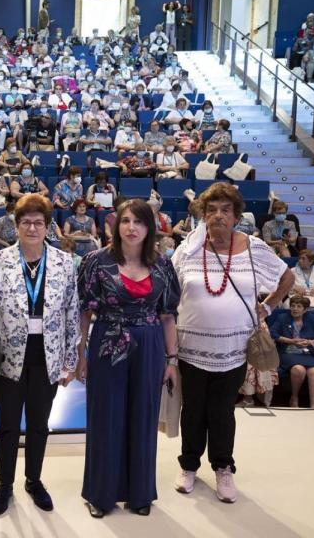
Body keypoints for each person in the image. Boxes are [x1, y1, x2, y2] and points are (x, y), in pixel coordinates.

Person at [170, 183, 293, 503]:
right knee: (193, 411)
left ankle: (223, 467)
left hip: (234, 350)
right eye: (212, 210)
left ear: (237, 216)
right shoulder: (188, 249)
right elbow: (171, 290)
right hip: (191, 348)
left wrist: (268, 305)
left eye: (226, 210)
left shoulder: (254, 248)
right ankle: (189, 466)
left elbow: (287, 277)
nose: (218, 216)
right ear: (203, 214)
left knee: (222, 412)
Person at [0, 193, 78, 515]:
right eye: (26, 222)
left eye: (38, 222)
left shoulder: (63, 263)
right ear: (15, 226)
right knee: (6, 425)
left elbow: (72, 314)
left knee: (39, 424)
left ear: (48, 227)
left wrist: (71, 362)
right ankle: (5, 484)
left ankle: (33, 479)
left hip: (47, 357)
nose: (32, 228)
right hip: (7, 358)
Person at [77, 199, 180, 517]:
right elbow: (84, 312)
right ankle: (101, 494)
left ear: (149, 227)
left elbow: (168, 317)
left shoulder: (162, 264)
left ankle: (140, 493)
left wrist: (172, 360)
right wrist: (80, 354)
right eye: (125, 221)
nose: (131, 228)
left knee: (143, 417)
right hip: (107, 341)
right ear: (115, 225)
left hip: (149, 346)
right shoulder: (95, 261)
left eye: (139, 222)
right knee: (105, 417)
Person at [269, 296, 314, 408]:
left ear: (305, 310)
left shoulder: (312, 319)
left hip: (309, 353)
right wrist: (291, 341)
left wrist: (311, 342)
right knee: (298, 369)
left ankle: (313, 406)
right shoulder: (282, 318)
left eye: (299, 306)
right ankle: (294, 397)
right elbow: (273, 334)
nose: (295, 309)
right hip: (288, 351)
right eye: (293, 306)